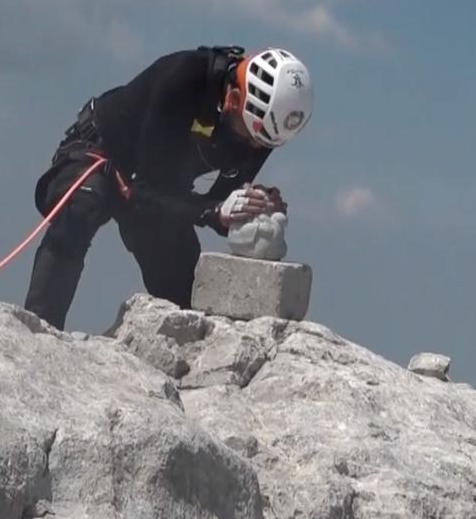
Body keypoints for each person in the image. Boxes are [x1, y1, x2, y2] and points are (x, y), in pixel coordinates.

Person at [23, 45, 314, 330]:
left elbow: (211, 207)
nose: (252, 147)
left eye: (262, 145)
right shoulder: (184, 76)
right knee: (82, 206)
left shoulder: (262, 129)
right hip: (100, 152)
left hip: (158, 185)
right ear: (234, 99)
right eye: (250, 136)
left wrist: (249, 208)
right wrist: (213, 211)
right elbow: (155, 190)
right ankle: (38, 334)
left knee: (182, 281)